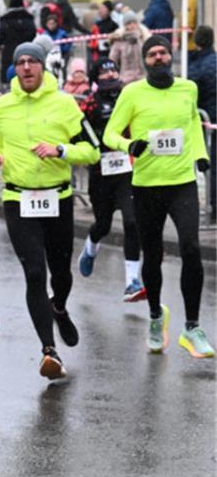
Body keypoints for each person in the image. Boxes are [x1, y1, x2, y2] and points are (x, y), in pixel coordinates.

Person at [0, 41, 100, 379]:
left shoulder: (64, 103)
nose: (26, 67)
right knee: (35, 272)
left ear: (42, 66)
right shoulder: (1, 106)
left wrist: (61, 150)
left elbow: (92, 150)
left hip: (57, 198)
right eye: (20, 62)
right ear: (15, 68)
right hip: (18, 199)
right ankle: (49, 352)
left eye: (32, 61)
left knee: (61, 273)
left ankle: (58, 307)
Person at [103, 34, 212, 358]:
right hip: (147, 186)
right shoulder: (132, 93)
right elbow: (110, 133)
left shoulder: (187, 88)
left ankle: (191, 327)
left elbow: (193, 122)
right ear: (145, 60)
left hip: (182, 183)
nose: (159, 58)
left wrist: (200, 154)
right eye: (153, 54)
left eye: (163, 52)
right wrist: (128, 145)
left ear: (171, 55)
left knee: (191, 248)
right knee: (152, 256)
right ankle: (155, 316)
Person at [76, 60, 145, 301]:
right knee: (103, 225)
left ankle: (132, 281)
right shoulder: (90, 103)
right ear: (96, 77)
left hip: (126, 172)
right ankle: (90, 247)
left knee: (132, 222)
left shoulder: (128, 96)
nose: (111, 74)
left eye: (114, 69)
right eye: (105, 71)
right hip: (100, 173)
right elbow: (79, 131)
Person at [187, 25, 216, 224]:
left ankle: (213, 208)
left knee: (212, 167)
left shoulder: (196, 67)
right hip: (211, 120)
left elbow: (191, 96)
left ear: (196, 41)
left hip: (208, 122)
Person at [0, 0, 37, 85]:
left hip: (9, 53)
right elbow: (33, 34)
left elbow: (0, 38)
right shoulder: (29, 19)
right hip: (26, 52)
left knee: (8, 79)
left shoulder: (5, 19)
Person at [110, 12, 149, 84]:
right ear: (125, 26)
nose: (132, 25)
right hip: (126, 80)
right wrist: (115, 74)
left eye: (134, 23)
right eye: (129, 23)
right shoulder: (119, 41)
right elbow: (113, 60)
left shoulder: (144, 38)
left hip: (143, 78)